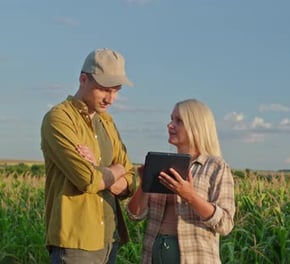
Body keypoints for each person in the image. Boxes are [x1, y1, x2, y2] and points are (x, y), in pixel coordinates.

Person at [40, 48, 137, 264]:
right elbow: (87, 179)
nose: (111, 99)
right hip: (76, 243)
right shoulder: (59, 119)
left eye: (116, 90)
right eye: (104, 89)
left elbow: (131, 180)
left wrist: (106, 171)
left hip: (110, 239)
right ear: (83, 79)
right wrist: (116, 170)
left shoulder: (107, 122)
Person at [127, 99, 235, 264]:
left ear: (195, 126)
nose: (170, 125)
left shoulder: (215, 167)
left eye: (178, 121)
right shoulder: (162, 165)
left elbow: (225, 224)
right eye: (171, 119)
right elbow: (134, 215)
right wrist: (144, 184)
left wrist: (190, 196)